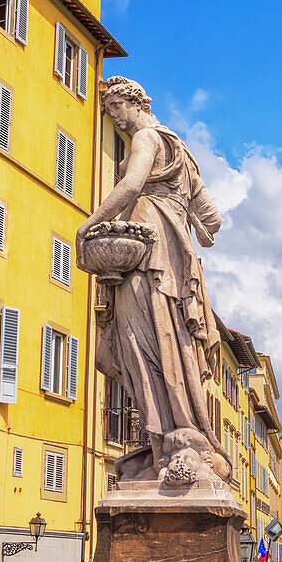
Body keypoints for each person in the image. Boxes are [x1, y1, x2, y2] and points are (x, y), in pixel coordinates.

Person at [77, 76, 229, 481]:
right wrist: (182, 214)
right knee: (168, 341)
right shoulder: (180, 148)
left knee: (142, 343)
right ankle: (173, 433)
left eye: (114, 109)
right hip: (174, 252)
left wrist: (90, 225)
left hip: (148, 251)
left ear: (133, 103)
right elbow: (212, 217)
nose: (115, 119)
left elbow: (130, 184)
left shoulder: (145, 138)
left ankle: (169, 438)